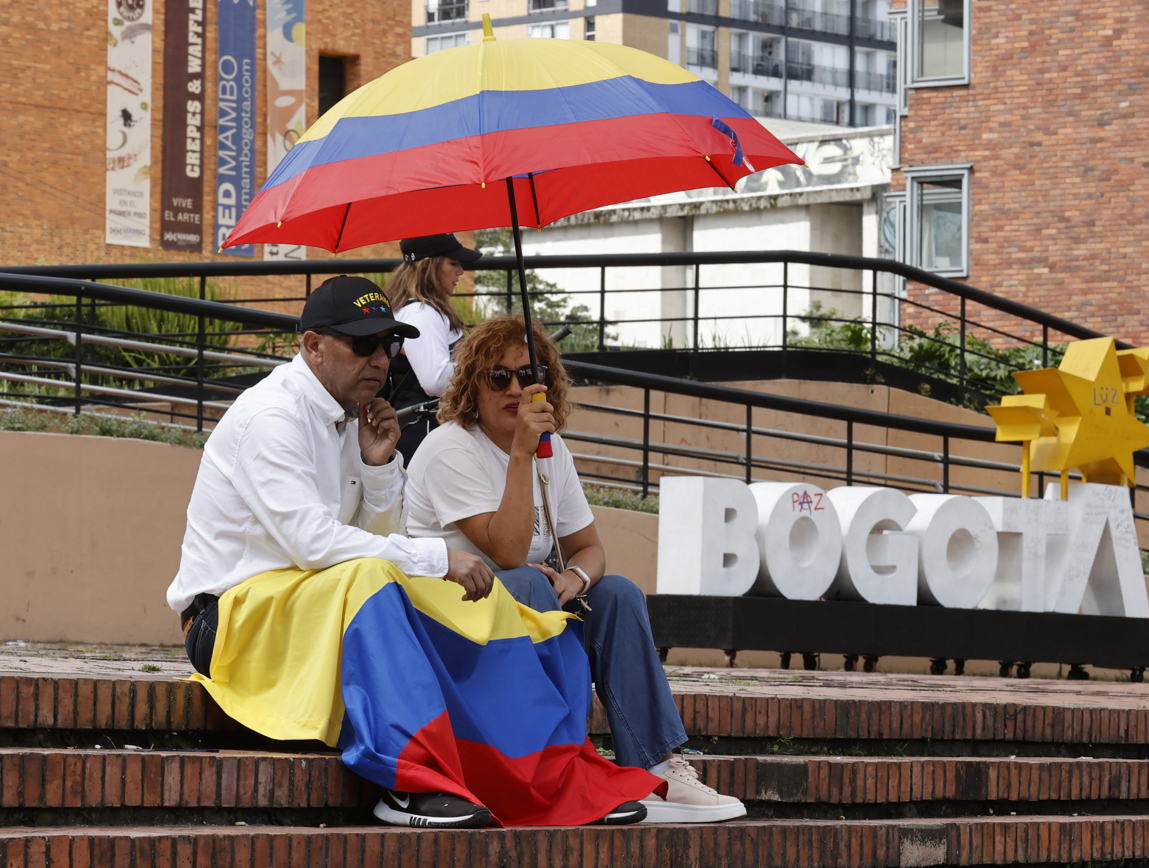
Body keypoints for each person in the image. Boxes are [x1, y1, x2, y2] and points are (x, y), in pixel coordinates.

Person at [167, 277, 660, 829]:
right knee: (395, 580)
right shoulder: (272, 417)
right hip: (229, 622)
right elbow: (313, 544)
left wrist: (378, 469)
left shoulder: (352, 417)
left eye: (390, 345)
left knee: (455, 596)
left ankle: (538, 774)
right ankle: (406, 782)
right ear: (311, 346)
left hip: (306, 609)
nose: (380, 359)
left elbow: (371, 534)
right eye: (363, 344)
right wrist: (436, 559)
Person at [405, 315, 747, 825]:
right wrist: (522, 453)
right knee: (526, 584)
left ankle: (657, 767)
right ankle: (559, 764)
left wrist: (576, 579)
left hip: (525, 612)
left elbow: (590, 549)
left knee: (617, 595)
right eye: (498, 377)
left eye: (527, 374)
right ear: (473, 385)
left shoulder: (552, 449)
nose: (515, 388)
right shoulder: (449, 448)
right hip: (452, 629)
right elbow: (507, 553)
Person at [381, 234, 480, 464]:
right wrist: (484, 366)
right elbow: (434, 380)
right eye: (453, 263)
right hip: (423, 430)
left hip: (419, 427)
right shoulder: (422, 313)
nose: (461, 271)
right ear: (428, 264)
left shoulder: (414, 308)